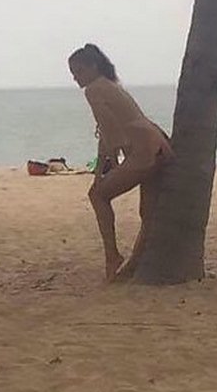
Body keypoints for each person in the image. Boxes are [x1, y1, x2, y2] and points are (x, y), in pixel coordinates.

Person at [68, 44, 173, 282]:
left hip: (144, 152)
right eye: (72, 73)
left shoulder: (94, 89)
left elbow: (110, 133)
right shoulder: (110, 85)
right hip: (158, 145)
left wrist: (112, 162)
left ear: (93, 67)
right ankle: (131, 267)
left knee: (98, 196)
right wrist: (103, 167)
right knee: (147, 213)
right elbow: (106, 133)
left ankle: (113, 256)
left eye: (79, 71)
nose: (75, 77)